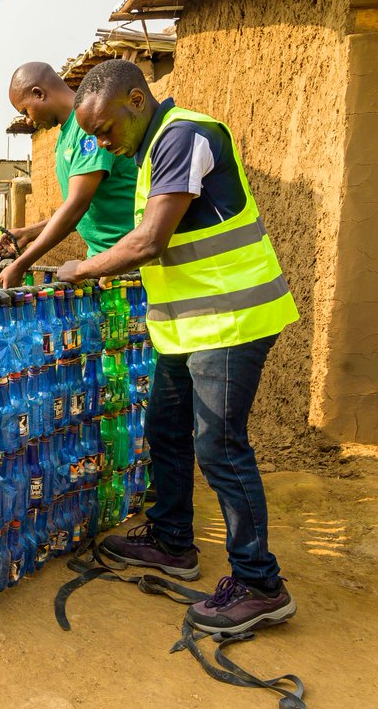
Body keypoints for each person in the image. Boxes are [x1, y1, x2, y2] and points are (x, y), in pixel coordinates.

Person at [61, 59, 299, 635]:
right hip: (190, 325)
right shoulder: (151, 154)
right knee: (164, 427)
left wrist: (79, 268)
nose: (101, 142)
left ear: (137, 102)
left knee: (219, 445)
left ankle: (260, 584)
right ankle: (172, 540)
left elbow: (148, 242)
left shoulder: (186, 135)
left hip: (231, 318)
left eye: (105, 130)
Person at [0, 62, 138, 289]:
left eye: (25, 111)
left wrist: (21, 264)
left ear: (39, 93)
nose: (28, 120)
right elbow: (79, 212)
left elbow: (76, 207)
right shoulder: (65, 135)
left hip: (129, 264)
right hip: (104, 263)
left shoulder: (87, 128)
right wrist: (26, 234)